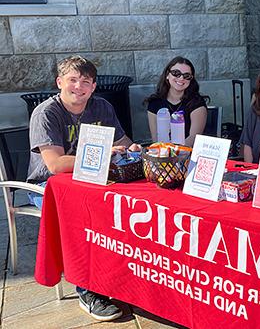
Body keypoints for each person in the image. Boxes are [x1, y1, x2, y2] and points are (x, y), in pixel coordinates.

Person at [27, 55, 142, 322]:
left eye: (85, 82)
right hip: (48, 186)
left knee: (128, 207)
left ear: (93, 87)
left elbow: (122, 139)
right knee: (84, 217)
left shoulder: (101, 106)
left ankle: (122, 279)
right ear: (60, 82)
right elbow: (55, 164)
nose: (78, 86)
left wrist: (134, 148)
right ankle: (88, 290)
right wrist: (103, 154)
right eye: (72, 80)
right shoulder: (46, 113)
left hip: (91, 181)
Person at [146, 56, 207, 147]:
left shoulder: (197, 103)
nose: (181, 78)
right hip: (162, 154)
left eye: (187, 76)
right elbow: (156, 139)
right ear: (167, 75)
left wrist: (174, 153)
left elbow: (193, 138)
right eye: (176, 73)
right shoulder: (155, 103)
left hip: (187, 154)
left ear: (191, 79)